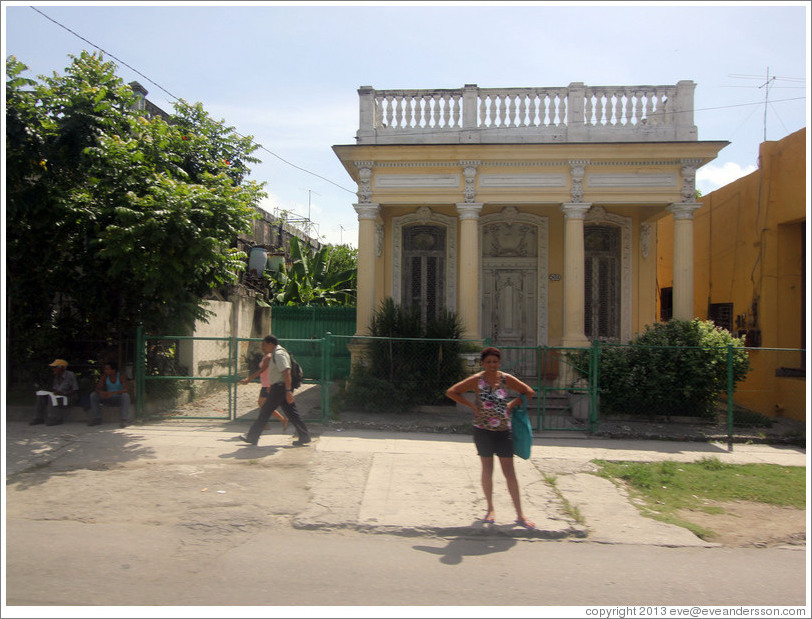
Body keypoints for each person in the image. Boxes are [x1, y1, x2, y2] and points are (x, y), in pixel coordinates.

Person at [446, 346, 536, 529]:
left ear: (499, 363)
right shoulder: (476, 380)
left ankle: (520, 515)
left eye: (495, 362)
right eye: (488, 362)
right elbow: (452, 392)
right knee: (487, 470)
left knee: (509, 472)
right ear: (483, 363)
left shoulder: (505, 378)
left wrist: (512, 403)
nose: (492, 365)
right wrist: (472, 406)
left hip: (504, 431)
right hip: (483, 430)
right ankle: (490, 509)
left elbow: (529, 392)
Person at [237, 335, 310, 447]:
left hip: (280, 388)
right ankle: (304, 436)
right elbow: (279, 373)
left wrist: (288, 390)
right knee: (292, 413)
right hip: (279, 387)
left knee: (265, 412)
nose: (263, 347)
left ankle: (252, 437)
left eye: (264, 345)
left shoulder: (279, 354)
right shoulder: (276, 354)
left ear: (271, 344)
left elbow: (286, 372)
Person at [240, 344, 289, 434]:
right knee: (264, 405)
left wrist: (248, 379)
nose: (263, 348)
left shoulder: (269, 357)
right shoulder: (266, 356)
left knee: (264, 405)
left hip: (268, 384)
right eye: (262, 346)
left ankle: (279, 420)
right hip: (265, 384)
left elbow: (261, 370)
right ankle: (269, 423)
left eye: (265, 346)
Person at [31, 359, 79, 426]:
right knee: (41, 396)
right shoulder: (56, 376)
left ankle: (53, 418)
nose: (53, 370)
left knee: (51, 398)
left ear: (61, 367)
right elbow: (54, 389)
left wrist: (62, 393)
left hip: (69, 397)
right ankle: (38, 418)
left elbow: (75, 389)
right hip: (58, 396)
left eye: (55, 367)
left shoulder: (70, 375)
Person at [88, 360, 132, 428]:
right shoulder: (104, 377)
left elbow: (126, 389)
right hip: (107, 398)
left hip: (118, 399)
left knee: (125, 396)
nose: (105, 370)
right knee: (93, 395)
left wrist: (113, 393)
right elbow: (97, 388)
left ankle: (124, 419)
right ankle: (97, 418)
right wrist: (101, 392)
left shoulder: (120, 376)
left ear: (113, 370)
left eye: (107, 369)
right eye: (105, 369)